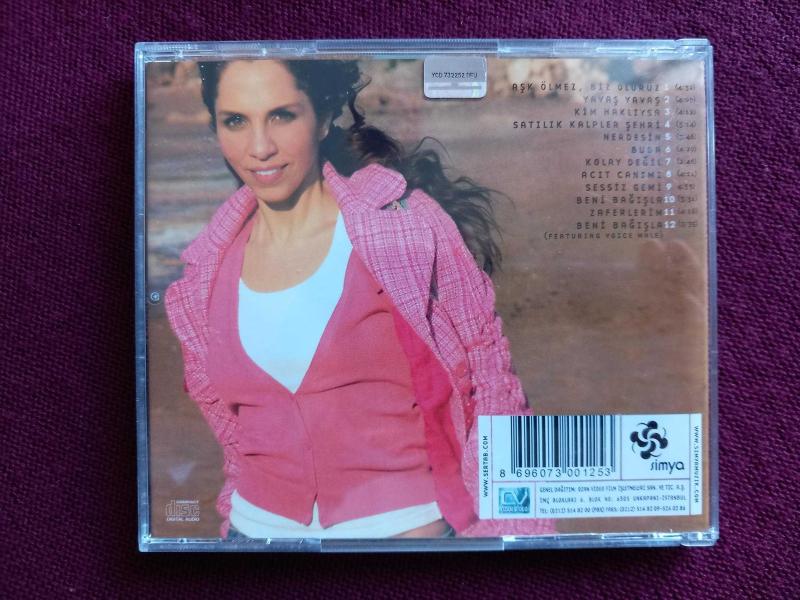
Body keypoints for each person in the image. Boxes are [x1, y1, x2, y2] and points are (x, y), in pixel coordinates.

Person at [165, 58, 554, 540]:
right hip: (254, 543)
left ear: (324, 117)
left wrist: (512, 534)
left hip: (406, 542)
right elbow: (232, 439)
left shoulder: (406, 228)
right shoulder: (201, 278)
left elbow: (491, 384)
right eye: (236, 121)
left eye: (282, 115)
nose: (259, 147)